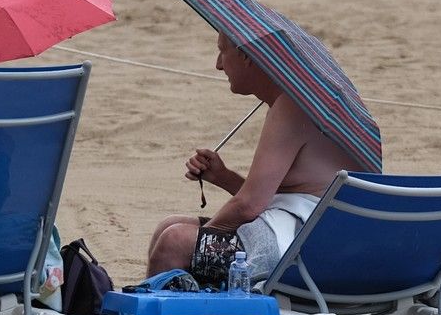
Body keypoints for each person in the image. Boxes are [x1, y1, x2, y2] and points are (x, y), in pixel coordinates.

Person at [147, 32, 367, 286]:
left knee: (173, 242)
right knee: (170, 225)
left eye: (222, 51)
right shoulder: (310, 105)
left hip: (297, 253)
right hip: (321, 243)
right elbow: (288, 196)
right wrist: (223, 177)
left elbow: (249, 206)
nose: (218, 64)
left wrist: (201, 241)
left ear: (247, 56)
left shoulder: (290, 107)